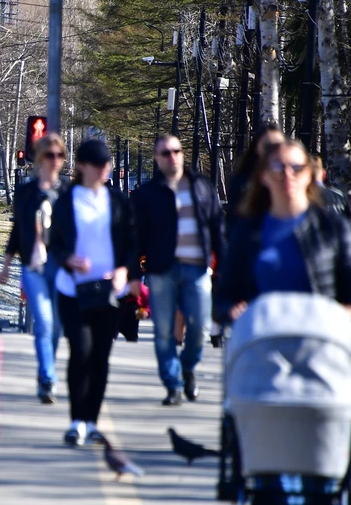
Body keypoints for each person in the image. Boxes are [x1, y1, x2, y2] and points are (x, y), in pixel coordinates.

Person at [50, 139, 137, 445]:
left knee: (101, 356)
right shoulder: (67, 199)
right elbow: (54, 243)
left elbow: (130, 241)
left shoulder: (116, 200)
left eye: (108, 164)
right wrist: (68, 259)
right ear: (82, 167)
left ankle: (92, 421)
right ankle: (77, 421)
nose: (105, 169)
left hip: (110, 291)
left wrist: (126, 271)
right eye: (99, 164)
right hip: (73, 291)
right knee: (81, 351)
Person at [129, 135, 225, 406]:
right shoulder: (147, 194)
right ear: (157, 158)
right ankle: (172, 385)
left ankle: (188, 366)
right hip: (162, 270)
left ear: (182, 154)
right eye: (165, 152)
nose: (171, 156)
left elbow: (218, 229)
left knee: (201, 326)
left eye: (176, 151)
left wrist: (224, 269)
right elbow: (135, 238)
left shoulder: (202, 187)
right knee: (164, 331)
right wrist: (134, 275)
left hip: (197, 269)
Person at [215, 139, 351, 321]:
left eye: (297, 168)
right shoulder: (247, 231)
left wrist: (341, 314)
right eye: (278, 167)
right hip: (263, 338)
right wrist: (232, 310)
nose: (288, 175)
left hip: (319, 339)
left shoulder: (332, 227)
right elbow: (223, 298)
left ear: (309, 174)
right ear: (263, 175)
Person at [0, 133, 70, 403]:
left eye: (59, 155)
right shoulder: (26, 192)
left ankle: (45, 372)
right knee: (43, 323)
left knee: (57, 327)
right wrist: (6, 265)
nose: (55, 160)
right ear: (39, 158)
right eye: (49, 155)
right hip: (33, 265)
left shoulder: (66, 192)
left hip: (61, 266)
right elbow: (17, 230)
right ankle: (48, 377)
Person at [225, 122, 286, 234]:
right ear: (256, 148)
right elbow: (234, 219)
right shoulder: (242, 181)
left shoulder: (293, 178)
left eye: (278, 146)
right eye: (267, 146)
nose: (273, 151)